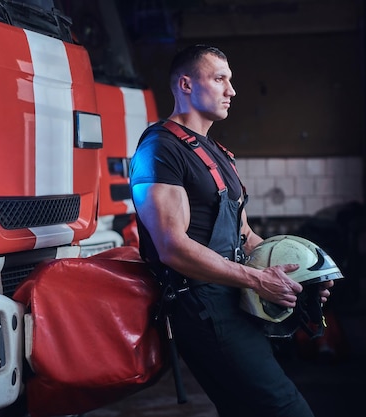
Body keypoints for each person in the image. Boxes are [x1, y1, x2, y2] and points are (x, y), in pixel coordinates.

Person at [129, 44, 334, 417]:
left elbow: (245, 237)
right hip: (201, 307)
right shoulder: (160, 150)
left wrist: (299, 276)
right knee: (286, 409)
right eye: (220, 79)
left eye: (231, 80)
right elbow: (172, 247)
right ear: (186, 84)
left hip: (232, 297)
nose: (232, 91)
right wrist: (257, 282)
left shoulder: (216, 152)